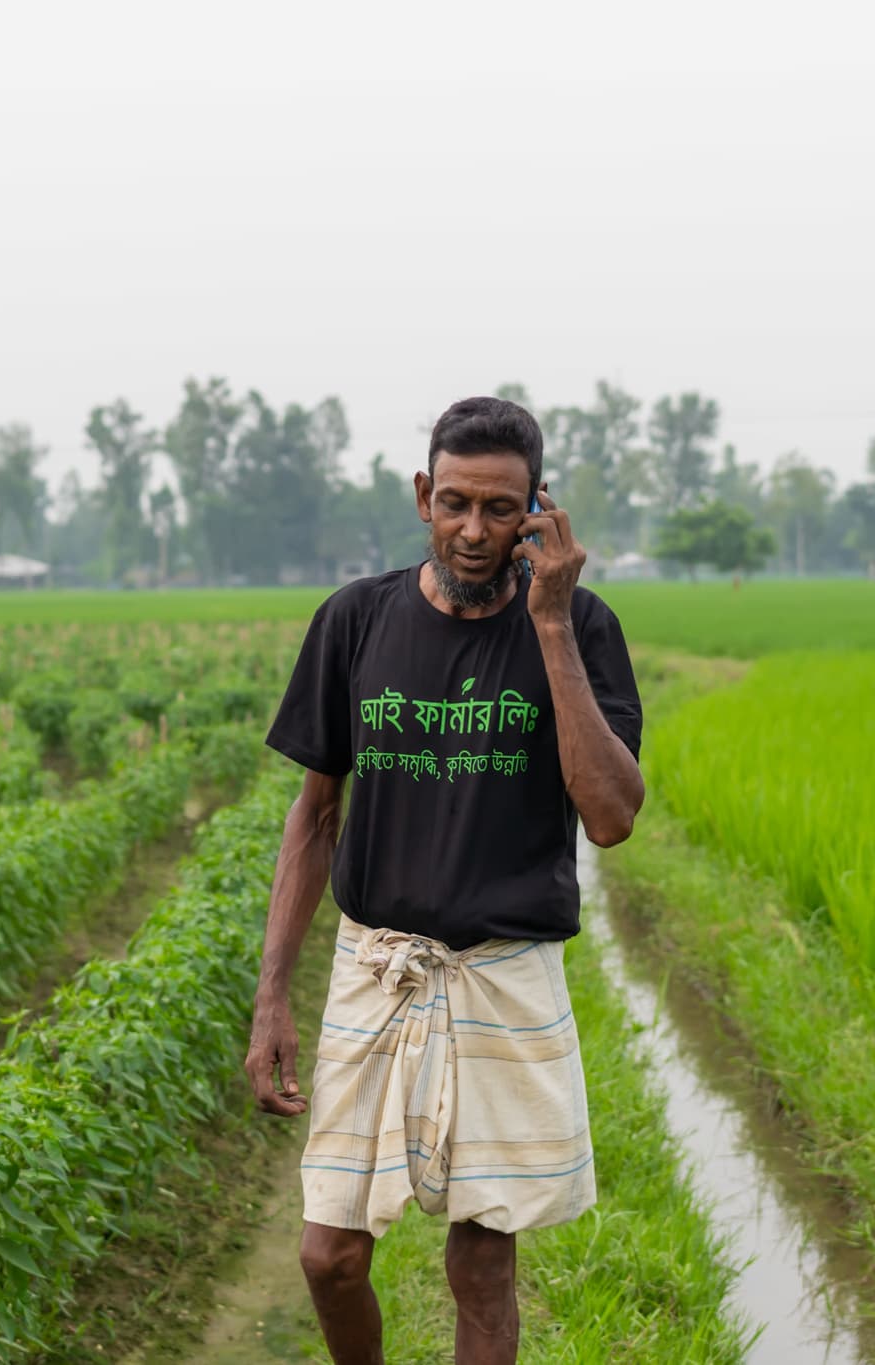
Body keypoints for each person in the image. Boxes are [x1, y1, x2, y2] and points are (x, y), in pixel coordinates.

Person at [248, 395, 646, 1365]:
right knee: (329, 1255)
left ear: (536, 514)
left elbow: (609, 815)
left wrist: (547, 626)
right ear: (424, 497)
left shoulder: (582, 628)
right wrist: (271, 1000)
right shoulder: (355, 621)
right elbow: (313, 817)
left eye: (500, 509)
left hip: (503, 972)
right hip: (376, 965)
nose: (474, 531)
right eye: (455, 503)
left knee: (481, 1263)